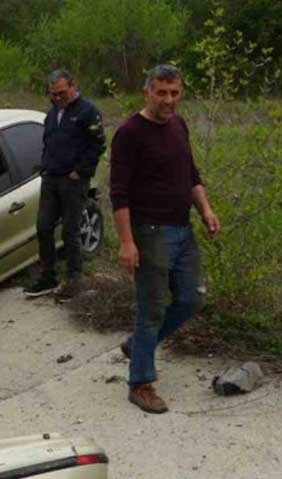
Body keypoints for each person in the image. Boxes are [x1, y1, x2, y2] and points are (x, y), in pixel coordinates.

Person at [110, 64, 221, 414]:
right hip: (150, 233)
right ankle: (140, 382)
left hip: (183, 229)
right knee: (152, 308)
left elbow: (191, 174)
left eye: (174, 93)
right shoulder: (129, 133)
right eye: (161, 93)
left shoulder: (178, 125)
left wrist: (205, 210)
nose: (169, 100)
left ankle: (139, 345)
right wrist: (127, 242)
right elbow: (119, 193)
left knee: (192, 298)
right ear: (147, 92)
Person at [24, 69, 106, 301]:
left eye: (61, 92)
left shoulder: (87, 111)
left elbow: (98, 145)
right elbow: (49, 143)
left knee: (70, 231)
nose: (57, 97)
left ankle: (74, 280)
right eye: (53, 94)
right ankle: (48, 276)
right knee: (44, 227)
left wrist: (80, 172)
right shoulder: (52, 114)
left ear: (72, 86)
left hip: (73, 181)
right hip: (51, 178)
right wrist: (45, 167)